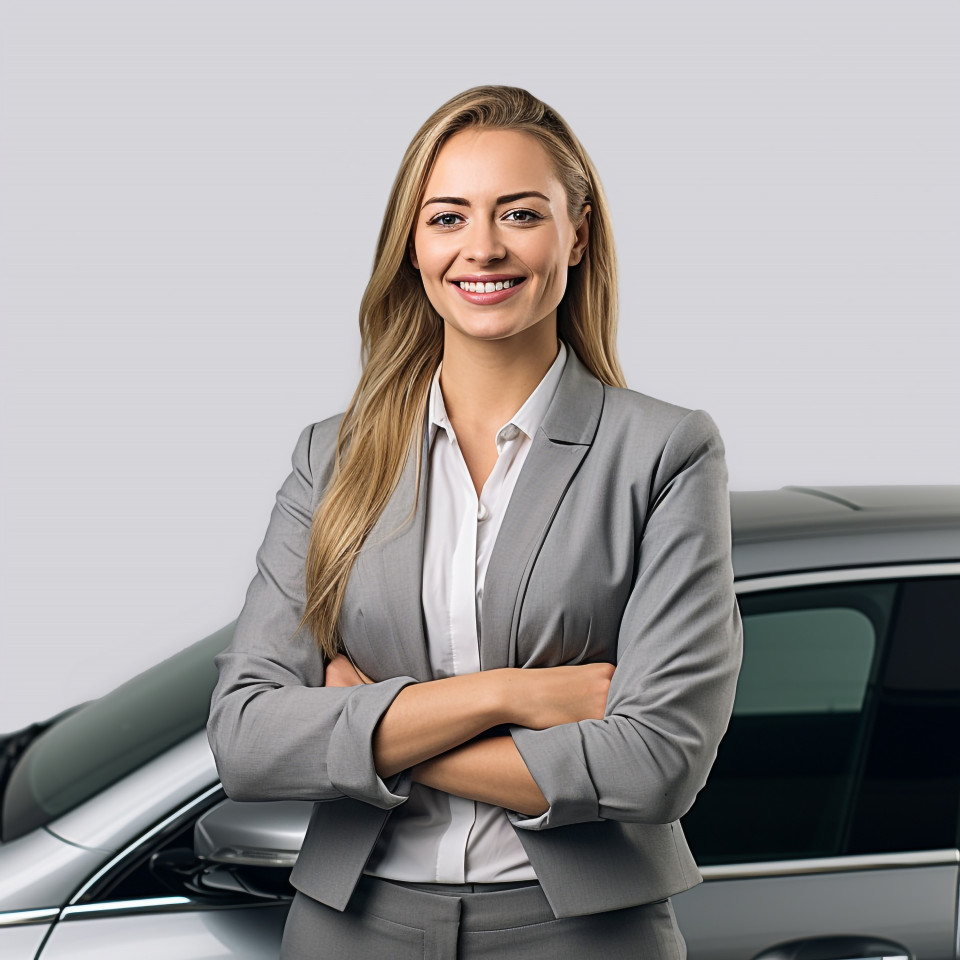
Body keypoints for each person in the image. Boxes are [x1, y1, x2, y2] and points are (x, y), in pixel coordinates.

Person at [206, 84, 743, 959]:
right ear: (413, 245)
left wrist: (365, 727)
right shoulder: (331, 456)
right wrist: (508, 696)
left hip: (581, 935)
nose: (482, 248)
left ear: (577, 234)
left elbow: (656, 765)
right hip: (350, 929)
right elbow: (246, 741)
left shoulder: (664, 452)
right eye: (448, 218)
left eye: (520, 214)